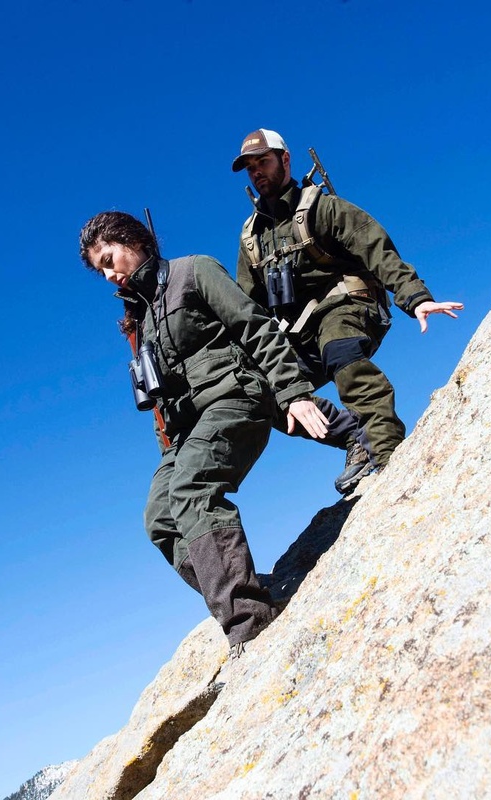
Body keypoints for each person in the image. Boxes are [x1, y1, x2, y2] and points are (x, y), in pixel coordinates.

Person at [79, 210, 331, 656]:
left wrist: (293, 391)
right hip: (185, 430)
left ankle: (248, 622)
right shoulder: (138, 322)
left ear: (132, 240)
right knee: (160, 517)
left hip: (235, 395)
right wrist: (167, 450)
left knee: (194, 489)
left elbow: (254, 327)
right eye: (100, 270)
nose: (108, 275)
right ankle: (243, 588)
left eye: (109, 259)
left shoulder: (194, 271)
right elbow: (159, 401)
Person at [231, 129, 463, 473]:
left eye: (263, 161)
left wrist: (415, 298)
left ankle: (387, 457)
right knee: (257, 391)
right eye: (250, 167)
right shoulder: (251, 237)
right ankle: (354, 437)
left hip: (351, 309)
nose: (257, 172)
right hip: (299, 334)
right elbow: (247, 309)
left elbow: (376, 250)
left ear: (285, 159)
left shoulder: (324, 208)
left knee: (336, 340)